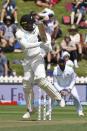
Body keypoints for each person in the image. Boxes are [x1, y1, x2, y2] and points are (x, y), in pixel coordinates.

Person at [15, 14, 65, 119]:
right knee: (26, 84)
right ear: (24, 25)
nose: (32, 25)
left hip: (37, 58)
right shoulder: (19, 33)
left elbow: (47, 40)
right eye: (29, 24)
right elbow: (25, 46)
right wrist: (40, 44)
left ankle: (58, 98)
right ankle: (30, 109)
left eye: (32, 23)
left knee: (41, 79)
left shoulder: (37, 28)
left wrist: (47, 46)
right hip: (27, 60)